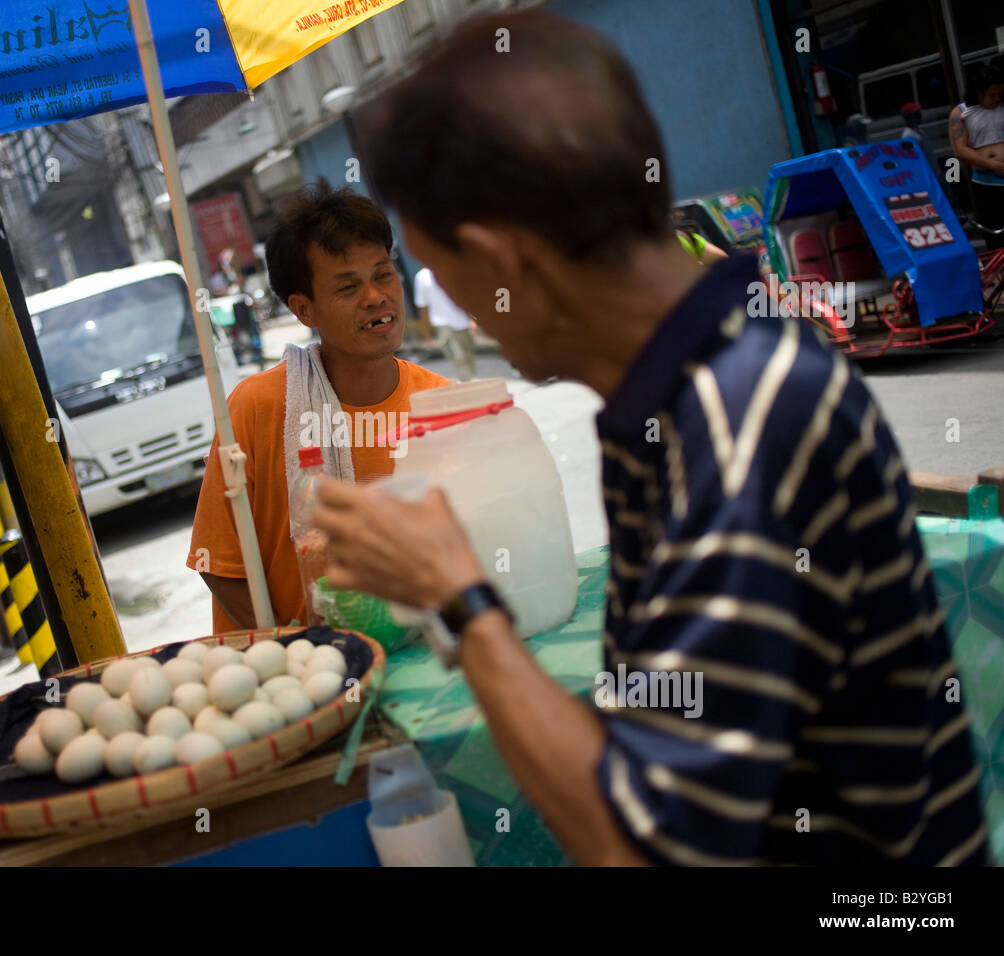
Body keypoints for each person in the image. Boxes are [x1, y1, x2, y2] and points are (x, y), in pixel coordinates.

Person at [315, 11, 986, 866]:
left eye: (438, 275)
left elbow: (640, 848)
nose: (444, 307)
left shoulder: (741, 431)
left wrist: (460, 600)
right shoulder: (704, 381)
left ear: (509, 262)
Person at [187, 182, 450, 632]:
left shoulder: (439, 404)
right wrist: (303, 647)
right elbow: (219, 564)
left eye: (383, 274)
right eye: (348, 287)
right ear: (304, 309)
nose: (375, 297)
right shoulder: (258, 407)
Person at [949, 64, 1004, 250]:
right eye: (992, 95)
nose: (997, 98)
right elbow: (960, 150)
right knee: (995, 235)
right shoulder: (962, 112)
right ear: (978, 92)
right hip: (987, 182)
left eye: (1000, 94)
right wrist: (991, 164)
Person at [414, 265, 477, 381]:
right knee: (458, 356)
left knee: (466, 354)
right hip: (441, 324)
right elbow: (422, 306)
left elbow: (467, 296)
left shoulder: (453, 269)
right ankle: (468, 383)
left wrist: (472, 319)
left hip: (461, 322)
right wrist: (426, 333)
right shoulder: (422, 277)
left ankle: (470, 381)